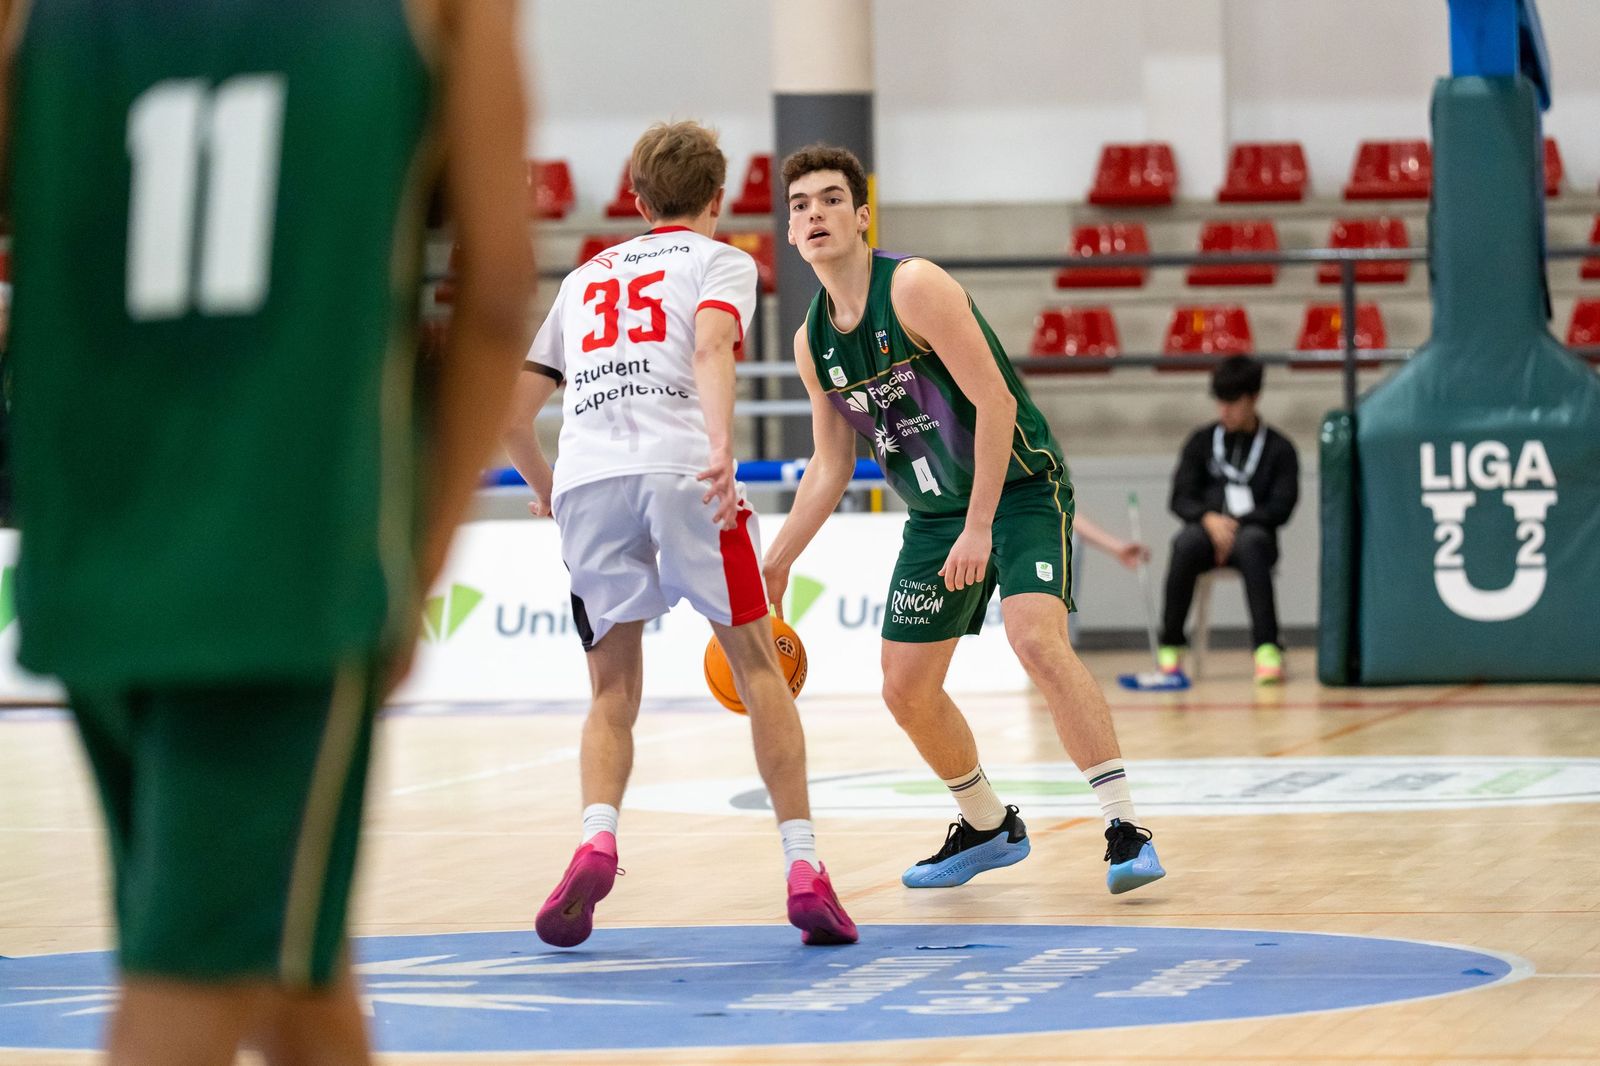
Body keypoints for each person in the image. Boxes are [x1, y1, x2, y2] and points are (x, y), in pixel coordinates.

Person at [0, 2, 535, 1063]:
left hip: (87, 549)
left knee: (295, 967)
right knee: (187, 989)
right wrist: (414, 563)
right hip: (287, 556)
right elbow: (497, 295)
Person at [765, 144, 1165, 895]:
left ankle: (1123, 826)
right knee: (903, 687)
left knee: (1034, 639)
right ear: (790, 232)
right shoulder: (812, 342)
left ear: (861, 215)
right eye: (799, 206)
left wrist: (980, 525)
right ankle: (986, 823)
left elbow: (997, 401)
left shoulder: (913, 286)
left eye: (827, 200)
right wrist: (778, 558)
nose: (812, 214)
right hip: (933, 515)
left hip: (1016, 489)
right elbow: (830, 465)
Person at [502, 121, 857, 949]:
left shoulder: (584, 277)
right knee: (758, 665)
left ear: (635, 198)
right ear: (717, 199)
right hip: (684, 470)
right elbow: (708, 346)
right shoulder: (719, 259)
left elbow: (514, 416)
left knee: (611, 694)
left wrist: (552, 493)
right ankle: (804, 868)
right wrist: (722, 445)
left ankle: (596, 839)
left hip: (589, 478)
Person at [1158, 354, 1299, 684]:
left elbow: (1283, 506)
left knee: (1253, 545)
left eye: (1233, 402)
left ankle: (1267, 649)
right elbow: (1179, 498)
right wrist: (1208, 519)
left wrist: (1239, 523)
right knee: (1184, 543)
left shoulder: (1279, 449)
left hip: (1253, 534)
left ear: (1254, 398)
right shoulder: (1201, 442)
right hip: (1206, 531)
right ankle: (1171, 646)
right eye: (1220, 401)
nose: (1224, 410)